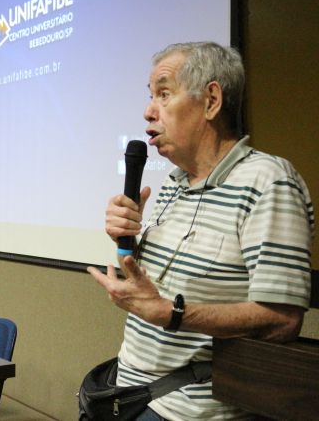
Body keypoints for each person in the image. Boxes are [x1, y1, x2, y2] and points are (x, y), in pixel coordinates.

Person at [87, 42, 314, 420]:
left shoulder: (269, 182)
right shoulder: (174, 183)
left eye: (164, 94)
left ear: (211, 101)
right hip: (127, 392)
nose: (148, 111)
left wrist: (173, 314)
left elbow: (282, 319)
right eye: (150, 96)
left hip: (188, 408)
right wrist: (127, 240)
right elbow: (156, 291)